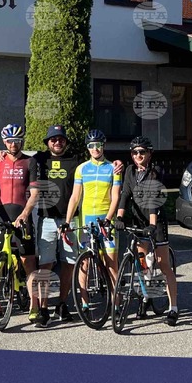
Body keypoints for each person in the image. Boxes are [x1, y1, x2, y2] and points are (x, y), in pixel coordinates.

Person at [114, 136, 179, 326]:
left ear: (149, 153)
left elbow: (152, 199)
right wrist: (119, 217)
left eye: (142, 152)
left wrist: (152, 225)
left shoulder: (155, 172)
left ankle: (173, 308)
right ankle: (146, 296)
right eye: (134, 152)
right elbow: (125, 195)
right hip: (138, 220)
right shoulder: (129, 171)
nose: (138, 155)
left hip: (155, 221)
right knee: (143, 264)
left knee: (162, 264)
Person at [0, 124, 43, 323]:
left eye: (17, 141)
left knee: (28, 261)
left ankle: (34, 305)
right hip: (1, 215)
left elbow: (34, 193)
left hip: (21, 215)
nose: (13, 144)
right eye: (9, 141)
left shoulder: (30, 162)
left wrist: (25, 214)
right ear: (4, 142)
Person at [31, 125, 83, 322]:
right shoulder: (39, 159)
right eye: (53, 139)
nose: (57, 142)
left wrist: (117, 164)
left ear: (66, 142)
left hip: (70, 219)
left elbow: (97, 162)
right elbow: (16, 155)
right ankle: (44, 307)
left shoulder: (76, 160)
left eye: (61, 139)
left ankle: (61, 304)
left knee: (68, 263)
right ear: (47, 143)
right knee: (45, 264)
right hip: (47, 219)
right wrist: (0, 154)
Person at [64, 129, 122, 305]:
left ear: (103, 146)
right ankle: (84, 302)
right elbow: (75, 197)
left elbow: (116, 197)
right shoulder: (81, 169)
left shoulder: (113, 168)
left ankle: (116, 303)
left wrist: (109, 219)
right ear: (87, 148)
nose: (95, 149)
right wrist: (67, 222)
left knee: (111, 264)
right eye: (91, 146)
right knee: (85, 263)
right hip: (87, 221)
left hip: (106, 220)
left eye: (98, 145)